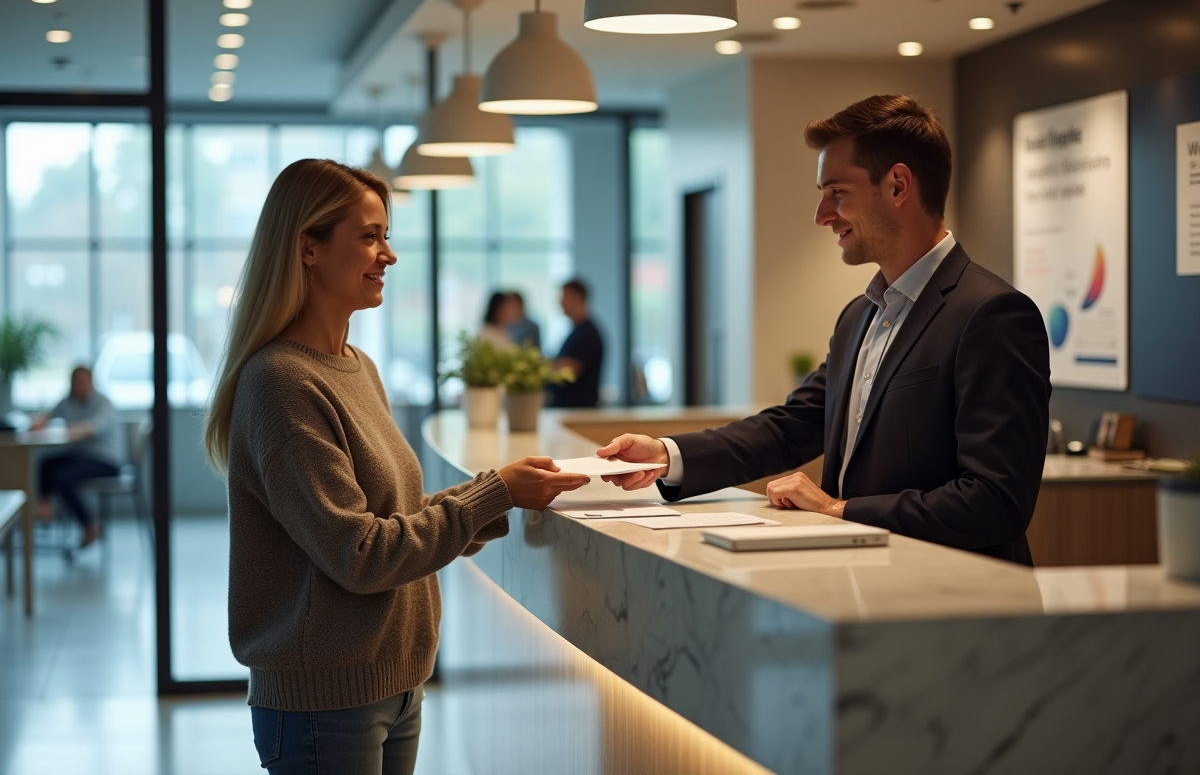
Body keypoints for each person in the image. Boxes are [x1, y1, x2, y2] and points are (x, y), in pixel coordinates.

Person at [202, 159, 589, 775]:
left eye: (386, 236)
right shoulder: (280, 383)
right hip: (324, 704)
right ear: (308, 248)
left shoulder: (357, 366)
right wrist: (494, 494)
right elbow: (360, 553)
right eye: (369, 237)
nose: (389, 254)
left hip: (393, 685)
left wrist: (503, 492)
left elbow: (393, 516)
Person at [598, 95, 1052, 565]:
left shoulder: (992, 314)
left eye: (837, 192)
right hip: (865, 589)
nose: (821, 215)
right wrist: (666, 455)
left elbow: (997, 502)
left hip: (956, 598)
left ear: (898, 186)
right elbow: (791, 428)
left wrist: (840, 510)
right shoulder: (859, 315)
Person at [32, 365, 121, 548]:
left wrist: (69, 427)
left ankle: (89, 525)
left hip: (106, 459)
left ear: (91, 382)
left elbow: (92, 428)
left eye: (83, 381)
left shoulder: (103, 403)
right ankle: (44, 507)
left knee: (62, 477)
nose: (78, 385)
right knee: (46, 462)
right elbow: (47, 416)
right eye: (75, 381)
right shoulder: (68, 401)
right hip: (81, 455)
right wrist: (39, 422)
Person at [547, 278, 604, 408]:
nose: (561, 302)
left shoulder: (586, 334)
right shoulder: (578, 332)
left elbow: (565, 372)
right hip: (571, 409)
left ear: (578, 298)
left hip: (578, 411)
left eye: (564, 297)